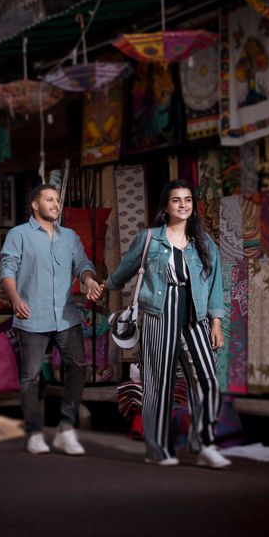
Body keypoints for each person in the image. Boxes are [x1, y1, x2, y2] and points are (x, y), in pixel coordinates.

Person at [104, 179, 231, 469]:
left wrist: (216, 323)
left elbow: (215, 285)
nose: (183, 205)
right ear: (165, 206)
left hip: (195, 316)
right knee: (158, 384)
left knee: (207, 379)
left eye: (187, 199)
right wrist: (103, 285)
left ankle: (204, 443)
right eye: (176, 200)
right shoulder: (150, 239)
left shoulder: (204, 242)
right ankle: (158, 447)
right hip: (158, 315)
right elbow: (123, 272)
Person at [0, 184, 104, 455]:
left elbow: (82, 263)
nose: (56, 204)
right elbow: (7, 268)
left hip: (66, 315)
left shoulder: (69, 237)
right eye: (50, 199)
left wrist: (89, 279)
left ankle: (66, 429)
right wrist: (15, 298)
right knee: (31, 377)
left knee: (79, 366)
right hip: (32, 314)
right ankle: (34, 432)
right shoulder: (18, 234)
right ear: (35, 205)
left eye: (58, 199)